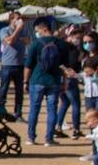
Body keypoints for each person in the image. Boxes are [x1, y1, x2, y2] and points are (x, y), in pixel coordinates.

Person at [24, 17, 69, 146]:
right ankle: (49, 139)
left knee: (34, 109)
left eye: (37, 29)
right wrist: (64, 82)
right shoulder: (61, 44)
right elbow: (65, 66)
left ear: (44, 29)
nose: (36, 32)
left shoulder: (36, 44)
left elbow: (28, 65)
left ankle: (31, 137)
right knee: (52, 110)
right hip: (54, 81)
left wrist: (25, 81)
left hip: (37, 80)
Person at [0, 11, 28, 120]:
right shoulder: (4, 30)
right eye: (17, 18)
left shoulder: (23, 31)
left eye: (20, 19)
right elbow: (9, 41)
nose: (20, 21)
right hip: (7, 65)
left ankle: (18, 114)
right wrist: (18, 30)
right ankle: (0, 112)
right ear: (11, 20)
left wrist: (20, 32)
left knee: (19, 91)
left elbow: (28, 41)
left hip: (20, 65)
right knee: (3, 90)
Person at [55, 27, 83, 139]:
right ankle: (76, 129)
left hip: (59, 78)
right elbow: (72, 65)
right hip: (69, 79)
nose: (78, 41)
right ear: (70, 37)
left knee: (65, 102)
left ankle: (58, 127)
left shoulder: (60, 47)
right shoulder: (72, 49)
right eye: (77, 38)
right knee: (76, 103)